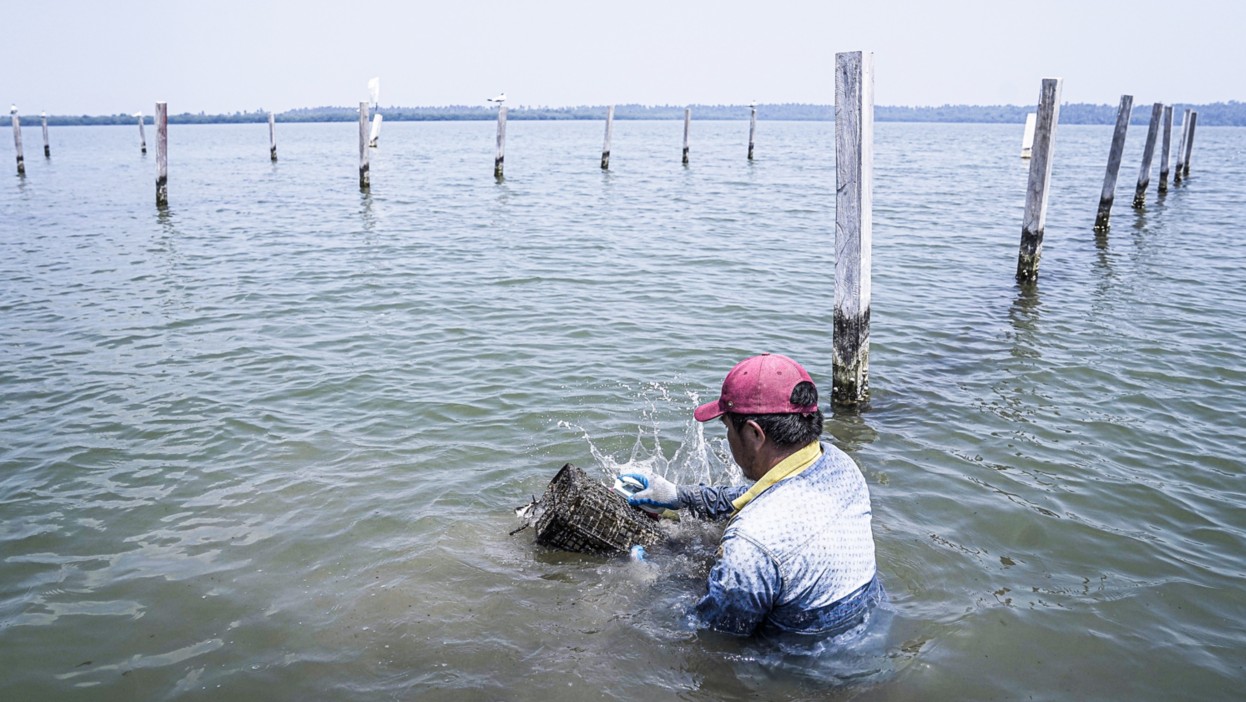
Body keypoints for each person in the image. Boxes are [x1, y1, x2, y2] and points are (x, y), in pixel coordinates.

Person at [620, 353, 882, 638]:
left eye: (728, 429)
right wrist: (679, 496)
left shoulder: (750, 544)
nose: (727, 440)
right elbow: (754, 497)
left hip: (805, 665)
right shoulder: (840, 464)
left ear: (755, 435)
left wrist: (649, 583)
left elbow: (712, 636)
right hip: (870, 620)